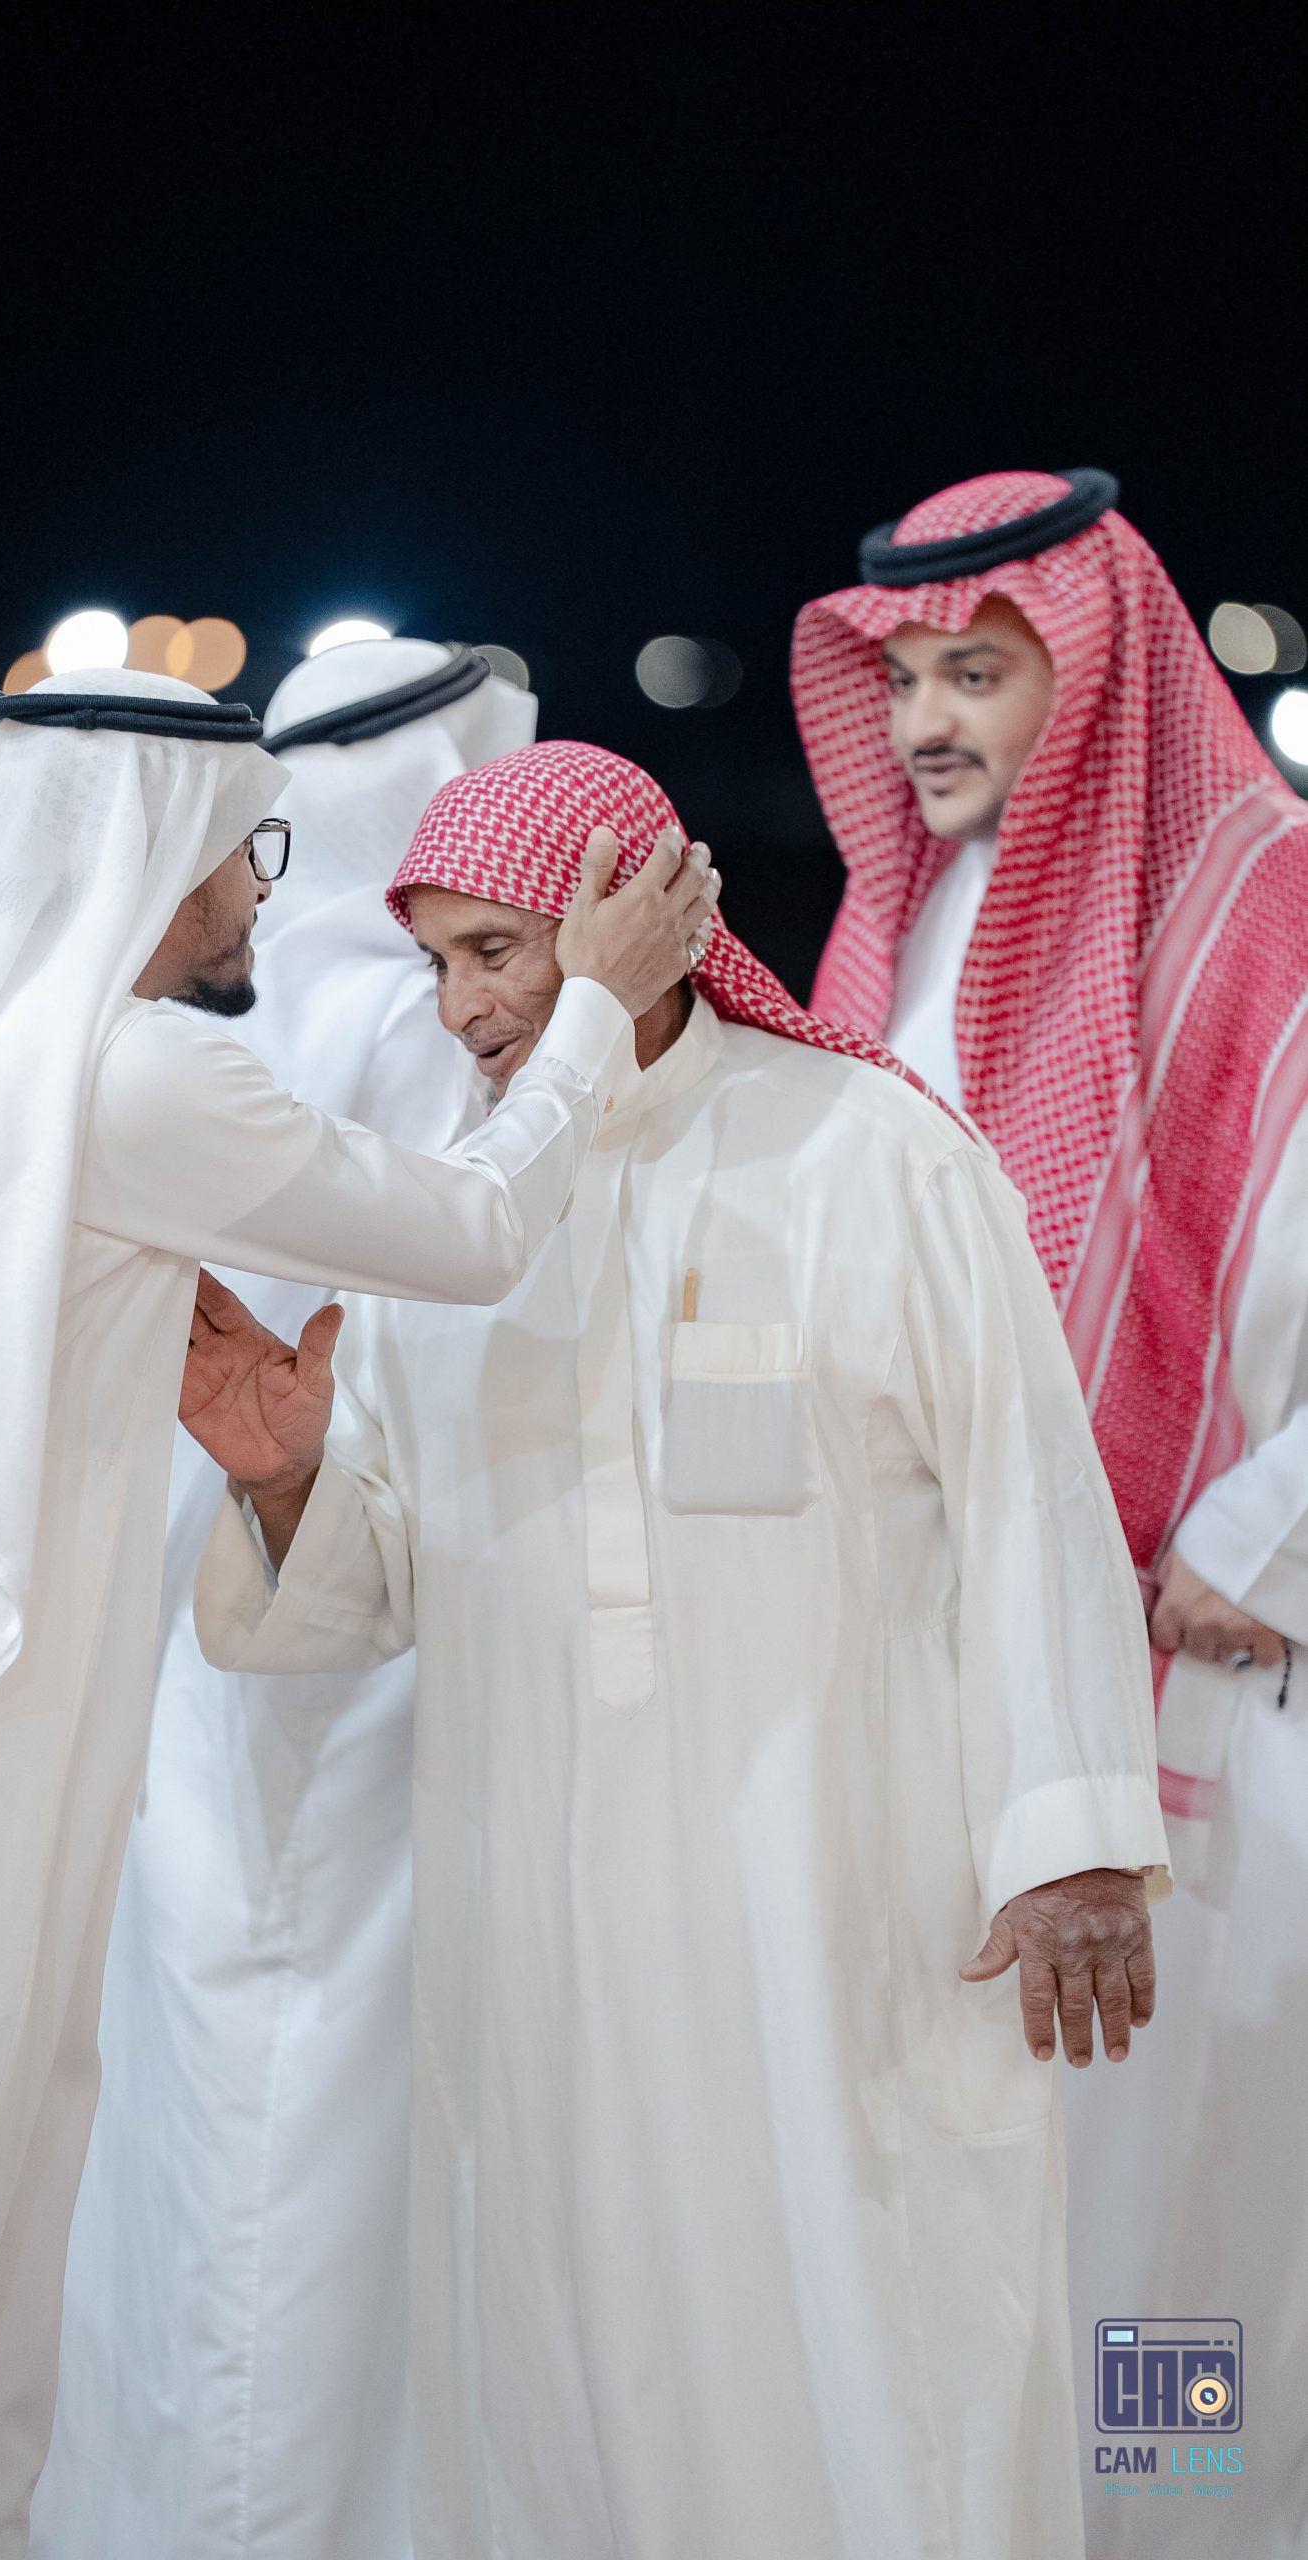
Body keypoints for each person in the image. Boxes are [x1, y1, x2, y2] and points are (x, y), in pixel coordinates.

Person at [0, 669, 711, 2560]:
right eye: (238, 850)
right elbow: (468, 1230)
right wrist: (597, 1007)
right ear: (147, 854)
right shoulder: (129, 1076)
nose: (261, 889)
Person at [184, 738, 1171, 2560]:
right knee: (575, 2376)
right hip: (548, 1952)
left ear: (631, 921)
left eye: (497, 952)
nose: (464, 1008)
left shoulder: (870, 1153)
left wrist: (1077, 1842)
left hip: (843, 1925)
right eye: (437, 964)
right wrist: (288, 1480)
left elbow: (1032, 1501)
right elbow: (378, 1587)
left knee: (876, 2348)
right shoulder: (453, 1219)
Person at [794, 471, 1308, 2555]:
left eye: (975, 674)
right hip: (932, 1676)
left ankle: (1176, 2536)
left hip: (1200, 1683)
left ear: (1088, 675)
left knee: (1169, 2226)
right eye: (902, 677)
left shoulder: (1268, 903)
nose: (924, 721)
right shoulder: (897, 919)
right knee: (962, 2187)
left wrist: (1261, 1537)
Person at [35, 638, 535, 2560]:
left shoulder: (194, 1019)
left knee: (225, 2104)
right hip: (335, 1602)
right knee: (309, 2117)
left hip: (225, 1617)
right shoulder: (394, 1033)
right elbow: (479, 1258)